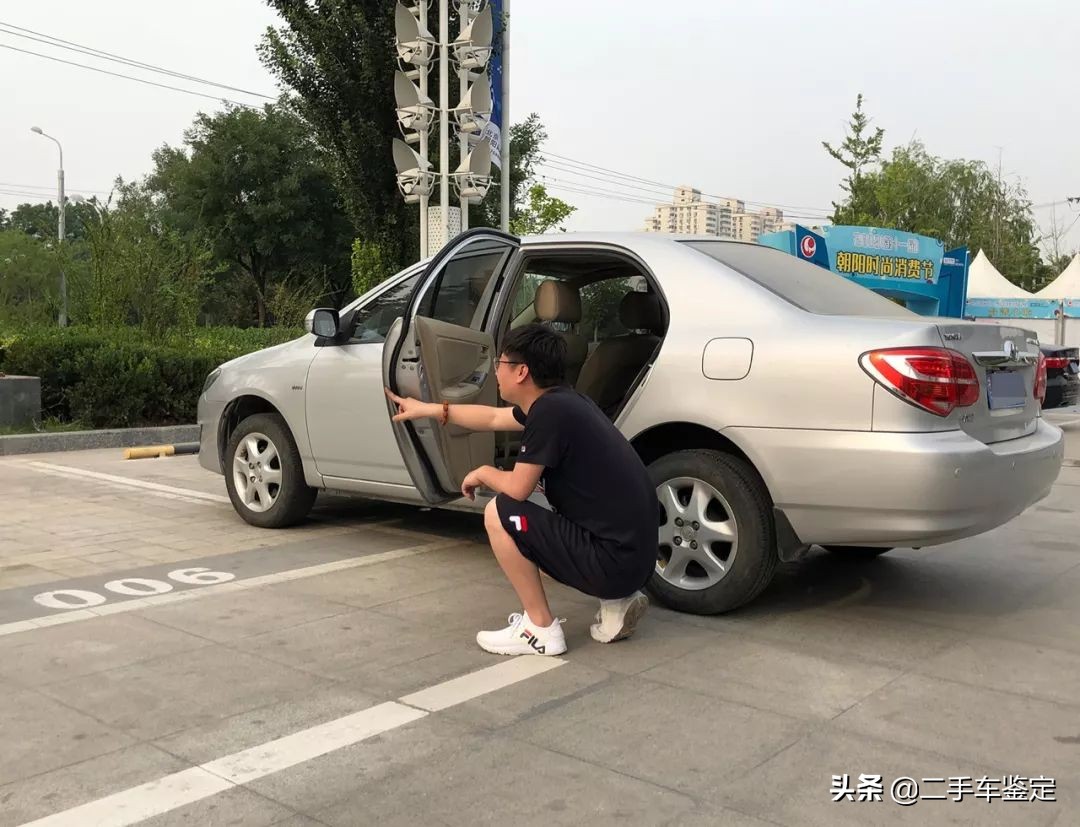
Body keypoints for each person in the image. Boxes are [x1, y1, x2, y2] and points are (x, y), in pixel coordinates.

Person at [385, 323, 658, 656]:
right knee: (537, 522)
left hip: (613, 561)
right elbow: (491, 419)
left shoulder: (549, 414)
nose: (495, 372)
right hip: (635, 559)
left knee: (500, 513)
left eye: (500, 363)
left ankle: (540, 629)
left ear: (521, 371)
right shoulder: (565, 403)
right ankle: (617, 600)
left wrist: (484, 471)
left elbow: (517, 489)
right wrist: (427, 409)